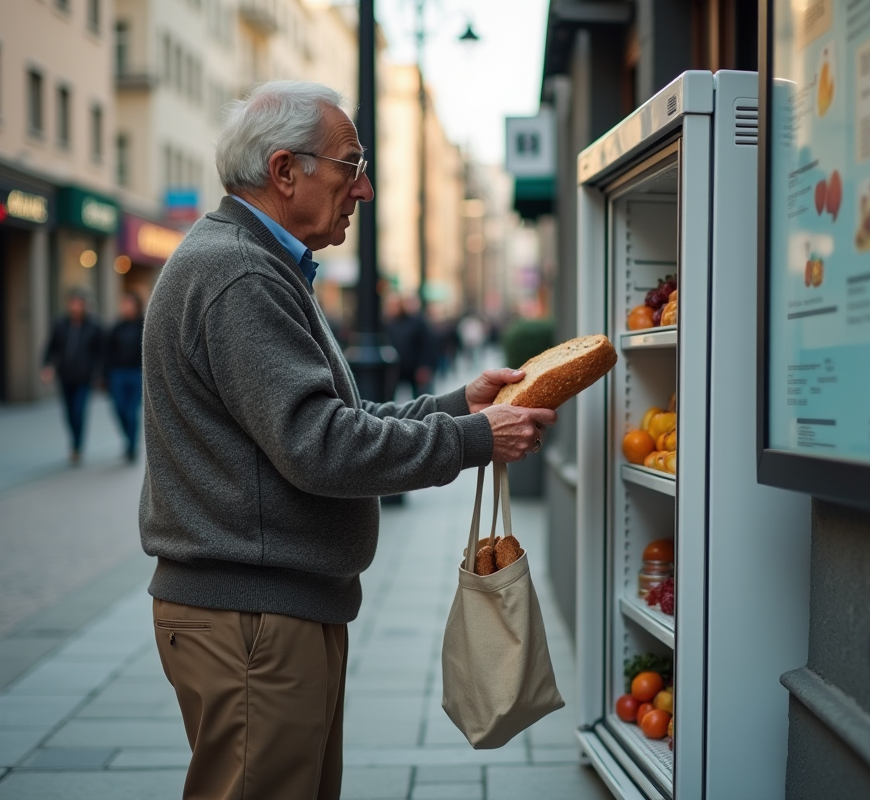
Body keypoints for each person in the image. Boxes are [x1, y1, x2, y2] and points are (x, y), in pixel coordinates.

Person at [140, 80, 554, 800]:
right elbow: (321, 445)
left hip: (269, 609)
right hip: (254, 618)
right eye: (350, 165)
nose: (362, 190)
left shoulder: (256, 264)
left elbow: (334, 419)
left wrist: (460, 405)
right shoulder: (240, 271)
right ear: (284, 171)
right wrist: (471, 439)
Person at [42, 291, 104, 464]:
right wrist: (47, 366)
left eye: (78, 303)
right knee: (69, 412)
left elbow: (101, 353)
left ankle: (77, 445)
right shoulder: (61, 324)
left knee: (79, 411)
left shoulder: (94, 327)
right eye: (72, 303)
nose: (75, 307)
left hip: (84, 378)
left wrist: (98, 373)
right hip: (65, 376)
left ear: (84, 305)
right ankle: (74, 441)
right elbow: (51, 347)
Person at [105, 291, 145, 463]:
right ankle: (128, 440)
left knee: (130, 412)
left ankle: (131, 445)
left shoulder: (144, 325)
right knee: (119, 409)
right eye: (124, 304)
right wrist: (104, 374)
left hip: (136, 373)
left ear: (136, 306)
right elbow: (107, 352)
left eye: (129, 304)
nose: (125, 307)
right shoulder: (117, 327)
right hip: (118, 373)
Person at [383, 293, 437, 400]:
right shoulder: (388, 323)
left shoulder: (417, 322)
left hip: (414, 367)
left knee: (419, 397)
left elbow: (427, 346)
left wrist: (424, 366)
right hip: (396, 367)